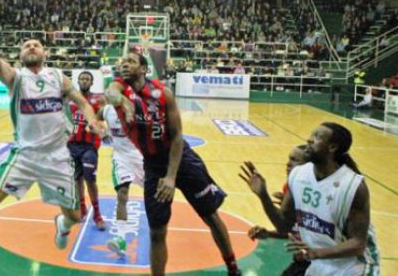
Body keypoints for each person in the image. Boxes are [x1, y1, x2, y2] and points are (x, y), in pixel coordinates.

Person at [0, 2, 103, 273]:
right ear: (21, 56)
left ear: (45, 52)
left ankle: (62, 225)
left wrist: (92, 118)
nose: (32, 47)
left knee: (74, 216)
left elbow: (80, 101)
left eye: (36, 44)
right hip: (24, 154)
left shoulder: (57, 77)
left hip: (58, 157)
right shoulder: (15, 78)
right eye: (26, 45)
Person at [105, 51, 241, 276]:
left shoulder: (162, 94)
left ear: (143, 69)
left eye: (130, 61)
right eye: (122, 62)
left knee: (210, 216)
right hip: (153, 166)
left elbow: (177, 136)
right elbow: (110, 93)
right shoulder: (119, 87)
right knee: (157, 231)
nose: (124, 65)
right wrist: (123, 102)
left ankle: (233, 267)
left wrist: (170, 177)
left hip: (181, 159)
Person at [242, 123, 380, 275]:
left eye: (317, 137)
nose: (309, 140)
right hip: (319, 263)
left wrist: (316, 253)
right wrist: (263, 195)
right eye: (311, 135)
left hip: (354, 267)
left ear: (332, 147)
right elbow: (284, 225)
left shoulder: (352, 186)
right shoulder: (298, 175)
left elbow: (358, 244)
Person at [239, 146, 311, 275]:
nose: (288, 164)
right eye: (289, 159)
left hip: (321, 262)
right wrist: (270, 234)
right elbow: (288, 227)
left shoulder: (313, 194)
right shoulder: (290, 188)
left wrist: (263, 195)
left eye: (295, 160)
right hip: (302, 261)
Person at [98, 103, 145, 256]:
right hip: (121, 158)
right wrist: (101, 131)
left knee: (154, 194)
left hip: (140, 157)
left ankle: (158, 227)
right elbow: (93, 119)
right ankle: (121, 238)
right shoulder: (106, 110)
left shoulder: (137, 107)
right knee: (122, 194)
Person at [68, 71, 106, 229]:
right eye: (82, 79)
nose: (84, 81)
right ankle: (82, 207)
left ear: (92, 82)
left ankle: (97, 214)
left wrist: (100, 129)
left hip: (90, 146)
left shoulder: (98, 99)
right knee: (77, 178)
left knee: (90, 178)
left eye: (87, 79)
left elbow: (104, 119)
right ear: (78, 81)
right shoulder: (70, 99)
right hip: (71, 145)